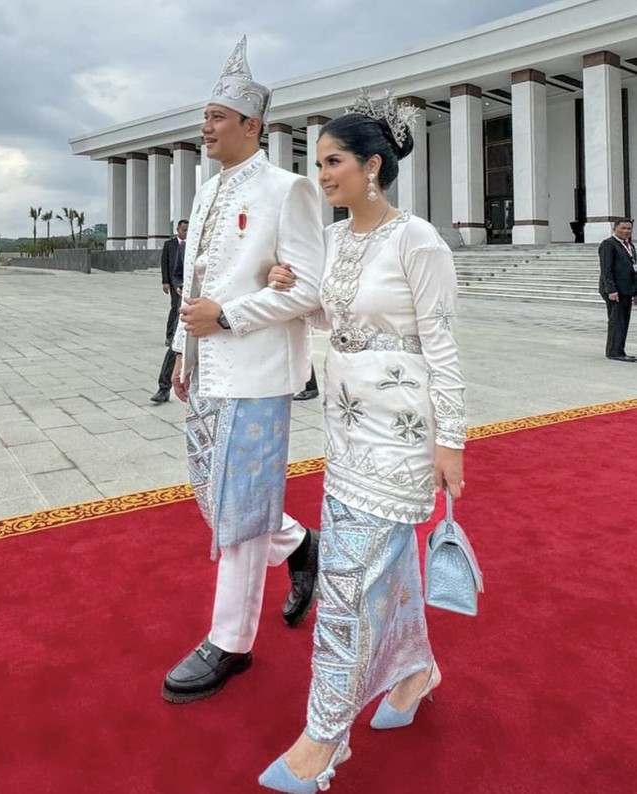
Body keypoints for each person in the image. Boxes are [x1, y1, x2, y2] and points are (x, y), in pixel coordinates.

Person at [257, 90, 467, 793]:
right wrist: (293, 285)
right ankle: (413, 674)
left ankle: (324, 738)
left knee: (344, 586)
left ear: (373, 165)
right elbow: (335, 317)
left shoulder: (419, 240)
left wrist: (452, 442)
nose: (321, 175)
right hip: (345, 430)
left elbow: (440, 343)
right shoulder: (337, 240)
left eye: (333, 161)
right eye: (317, 163)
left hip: (402, 437)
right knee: (384, 569)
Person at [161, 37, 325, 704]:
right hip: (207, 372)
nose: (206, 127)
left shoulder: (291, 190)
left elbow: (307, 288)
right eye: (205, 116)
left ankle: (231, 642)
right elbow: (194, 283)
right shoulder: (205, 195)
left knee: (240, 509)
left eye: (217, 117)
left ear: (253, 126)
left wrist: (226, 318)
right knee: (212, 495)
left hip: (257, 373)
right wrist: (182, 348)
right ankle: (299, 543)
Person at [151, 219, 188, 403]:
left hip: (213, 307)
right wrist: (179, 285)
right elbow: (177, 273)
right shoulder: (181, 248)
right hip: (188, 302)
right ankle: (163, 388)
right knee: (176, 345)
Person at [598, 218, 637, 362]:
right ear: (614, 229)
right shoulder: (608, 244)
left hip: (627, 289)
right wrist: (611, 290)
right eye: (623, 228)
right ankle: (614, 352)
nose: (626, 231)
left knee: (623, 321)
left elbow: (634, 270)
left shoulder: (630, 246)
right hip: (615, 290)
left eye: (629, 228)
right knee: (617, 320)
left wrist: (635, 291)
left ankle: (619, 349)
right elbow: (606, 270)